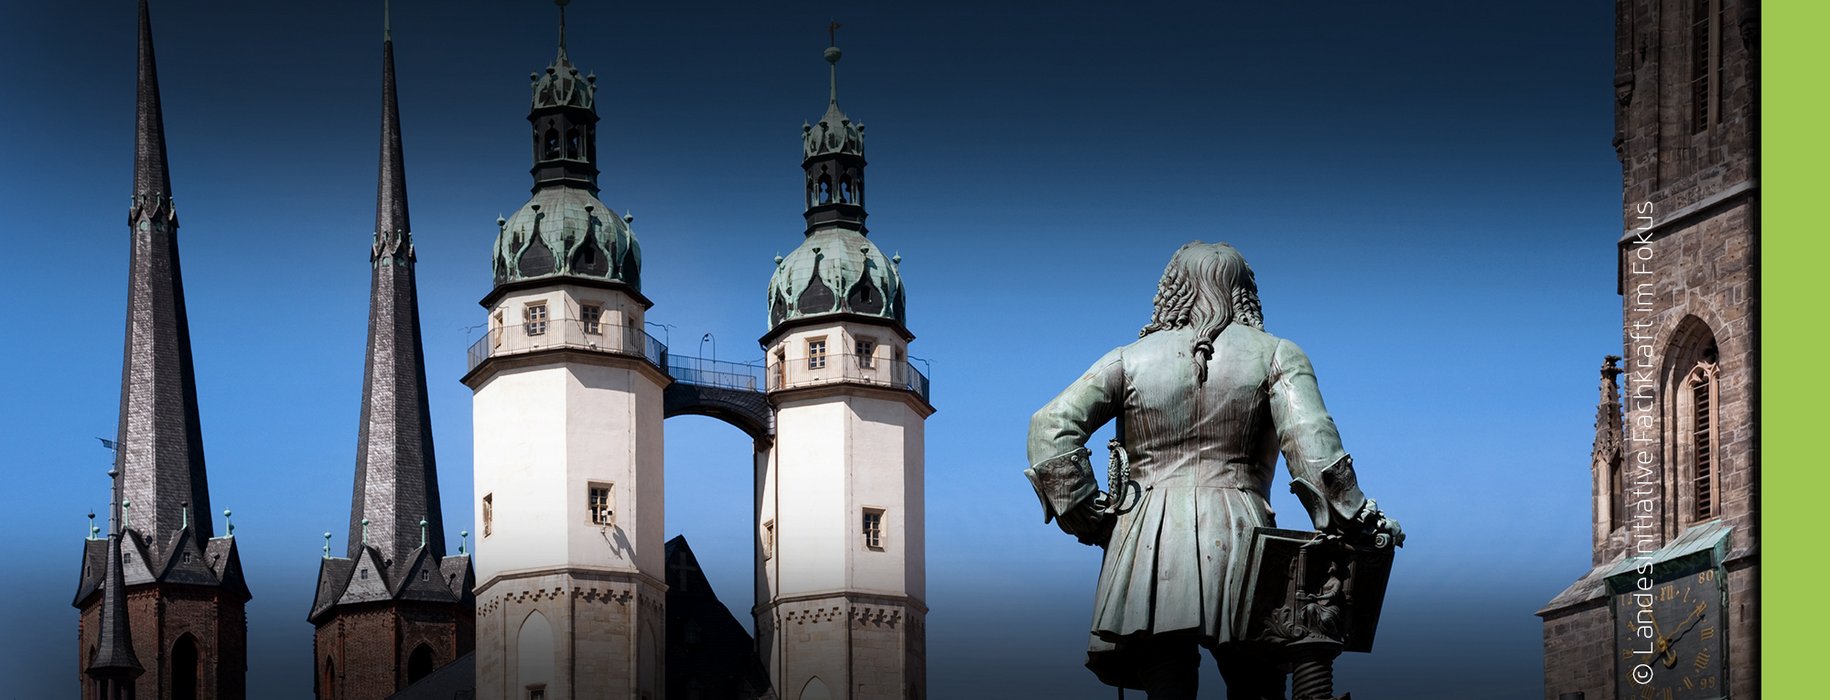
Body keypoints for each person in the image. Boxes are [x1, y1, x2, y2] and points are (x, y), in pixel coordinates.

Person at [1025, 242, 1402, 699]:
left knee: (1166, 677)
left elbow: (1050, 427)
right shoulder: (1278, 353)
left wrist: (1090, 514)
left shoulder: (1129, 358)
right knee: (1257, 679)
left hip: (1145, 538)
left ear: (1173, 289)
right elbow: (1314, 448)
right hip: (1244, 533)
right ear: (1245, 292)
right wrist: (1357, 517)